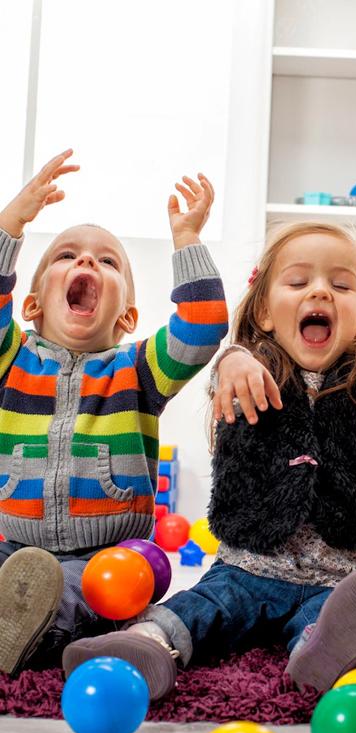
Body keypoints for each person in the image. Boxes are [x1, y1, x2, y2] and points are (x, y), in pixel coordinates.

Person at [64, 220, 356, 700]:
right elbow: (227, 381)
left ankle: (316, 654)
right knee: (203, 606)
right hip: (248, 568)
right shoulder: (250, 372)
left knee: (329, 622)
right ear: (268, 313)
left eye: (340, 284)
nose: (320, 292)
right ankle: (145, 643)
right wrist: (232, 359)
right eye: (298, 282)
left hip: (337, 579)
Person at [0, 149, 228, 675]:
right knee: (14, 578)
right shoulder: (11, 359)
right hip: (13, 547)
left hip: (105, 554)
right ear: (32, 304)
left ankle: (39, 634)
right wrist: (12, 223)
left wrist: (188, 240)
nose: (86, 263)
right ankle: (23, 621)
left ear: (126, 315)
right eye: (67, 256)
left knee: (93, 593)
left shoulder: (139, 368)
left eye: (107, 261)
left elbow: (203, 326)